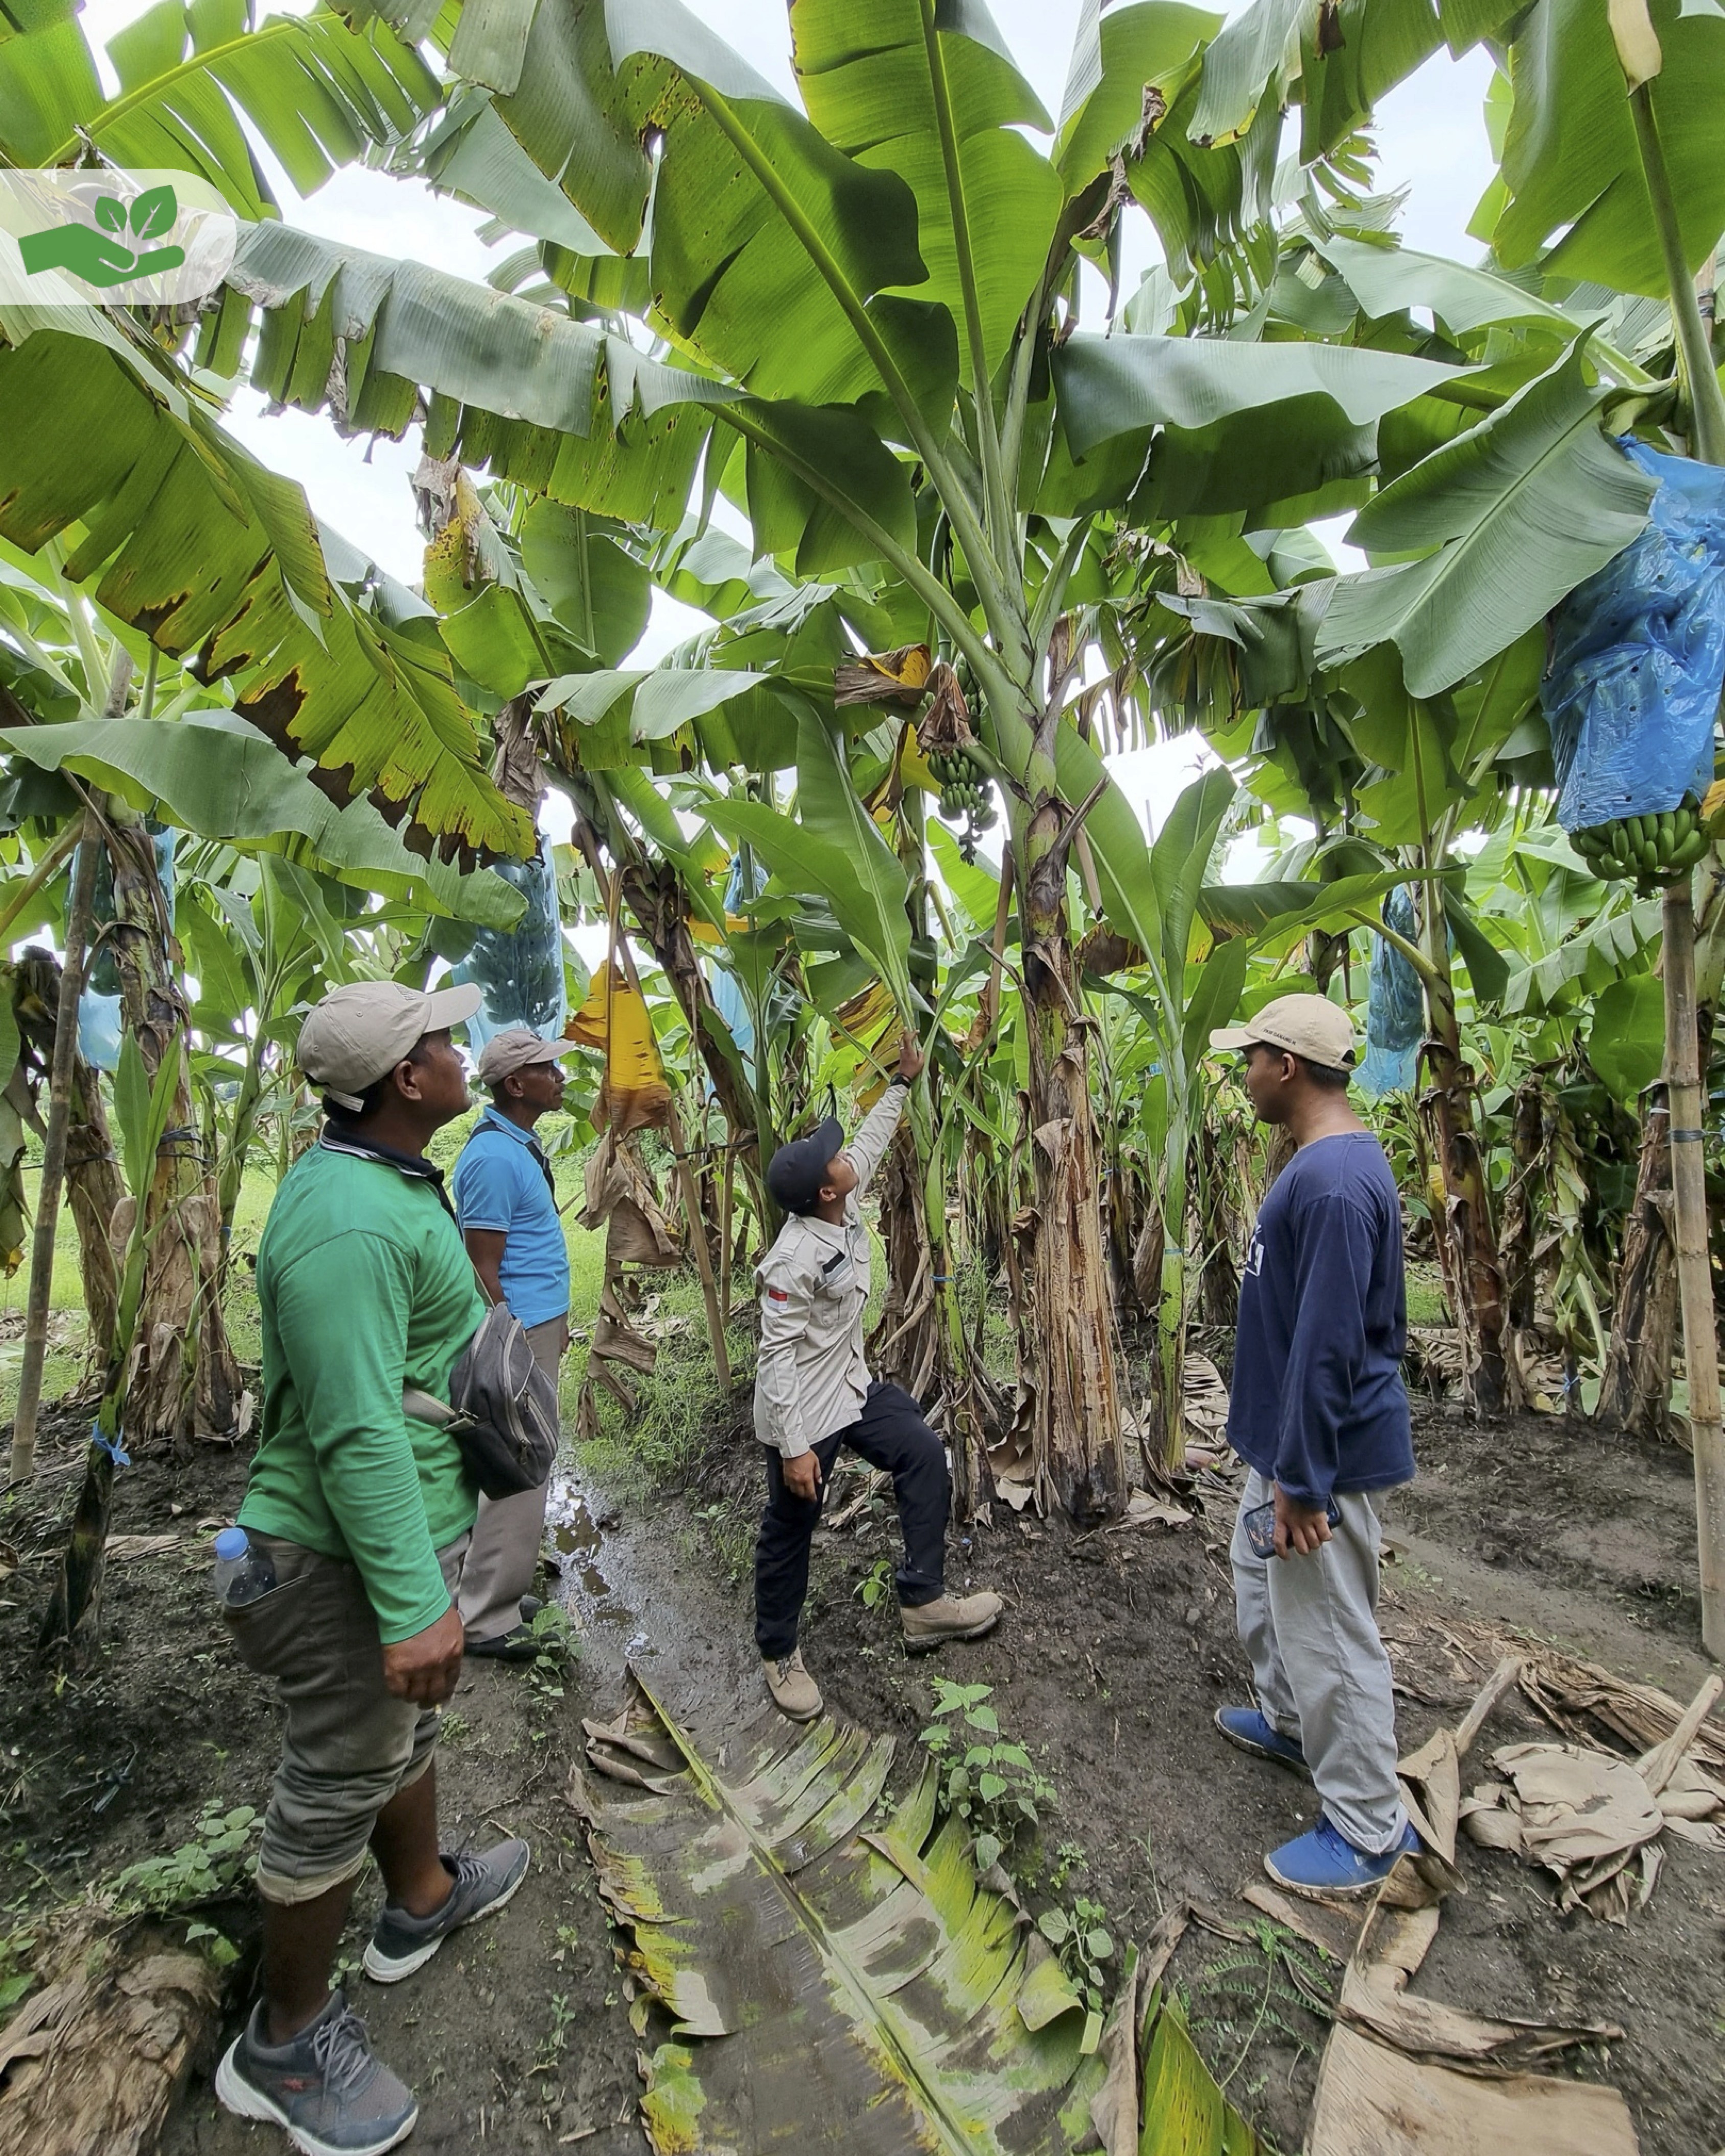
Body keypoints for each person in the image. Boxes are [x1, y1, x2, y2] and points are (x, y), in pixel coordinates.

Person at [216, 981, 530, 2156]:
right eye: (444, 1042)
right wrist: (412, 1608)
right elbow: (351, 1429)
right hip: (327, 1554)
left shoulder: (380, 1181)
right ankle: (282, 2040)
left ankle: (419, 1902)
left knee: (401, 1735)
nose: (461, 1055)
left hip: (383, 1536)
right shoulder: (346, 1221)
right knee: (336, 1775)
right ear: (407, 1079)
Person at [1206, 993, 1420, 1897]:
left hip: (1316, 1456)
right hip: (1285, 1445)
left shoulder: (1332, 1182)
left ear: (1286, 1067)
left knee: (1331, 1626)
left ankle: (1371, 1827)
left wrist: (1303, 1480)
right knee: (1260, 1582)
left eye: (1249, 1056)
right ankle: (1291, 1721)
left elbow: (1331, 1342)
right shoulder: (1319, 1163)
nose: (1242, 1071)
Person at [753, 1031, 1002, 1720]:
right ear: (824, 1189)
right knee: (790, 1525)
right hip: (800, 1409)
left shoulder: (839, 1195)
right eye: (834, 1157)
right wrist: (795, 1446)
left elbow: (870, 1140)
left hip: (849, 1384)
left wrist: (902, 1080)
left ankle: (923, 1601)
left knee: (922, 1453)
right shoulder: (793, 1258)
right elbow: (774, 1358)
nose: (845, 1155)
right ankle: (778, 1652)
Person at [450, 1027, 573, 1663]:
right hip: (516, 1333)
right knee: (519, 1462)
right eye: (548, 1069)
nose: (560, 1078)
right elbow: (481, 1265)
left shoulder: (515, 1147)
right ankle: (485, 1617)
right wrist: (510, 1342)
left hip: (535, 1324)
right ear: (515, 1084)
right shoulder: (496, 1159)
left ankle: (500, 1586)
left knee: (527, 1460)